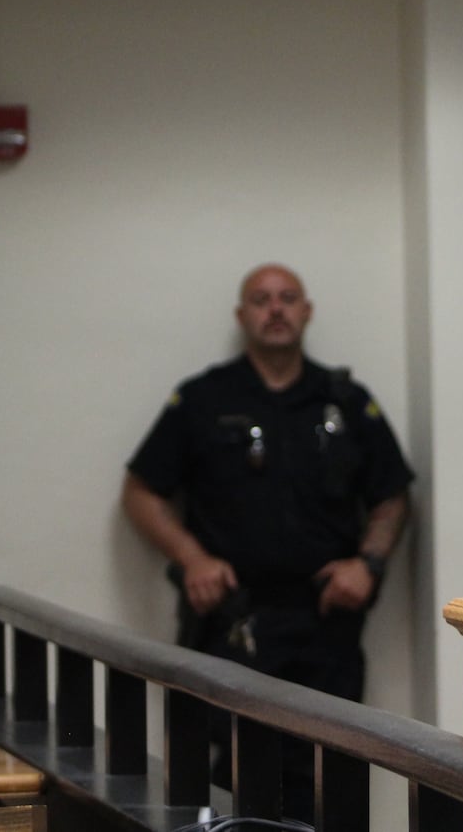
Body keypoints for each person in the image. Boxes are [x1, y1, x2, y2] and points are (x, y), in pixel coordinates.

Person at [121, 263, 414, 816]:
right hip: (234, 624)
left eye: (287, 298)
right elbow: (141, 491)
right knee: (231, 780)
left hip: (325, 623)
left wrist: (368, 564)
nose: (274, 309)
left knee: (330, 775)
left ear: (306, 311)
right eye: (260, 299)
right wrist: (192, 559)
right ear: (242, 316)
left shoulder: (346, 402)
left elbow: (393, 495)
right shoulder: (205, 398)